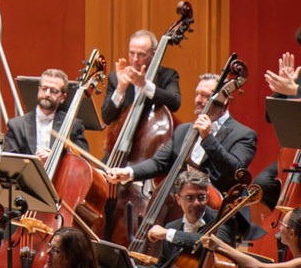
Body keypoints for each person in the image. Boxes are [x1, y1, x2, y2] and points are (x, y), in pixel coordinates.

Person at [108, 70, 256, 194]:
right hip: (181, 209)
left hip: (220, 212)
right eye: (197, 94)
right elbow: (159, 163)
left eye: (205, 96)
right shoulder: (183, 131)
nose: (198, 100)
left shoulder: (243, 135)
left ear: (224, 100)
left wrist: (208, 138)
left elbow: (235, 172)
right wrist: (129, 172)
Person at [100, 28, 182, 130]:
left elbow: (175, 103)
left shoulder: (168, 76)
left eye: (141, 55)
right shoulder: (115, 78)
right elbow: (107, 118)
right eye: (131, 53)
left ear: (153, 54)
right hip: (122, 141)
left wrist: (144, 85)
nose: (135, 59)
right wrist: (120, 89)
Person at [2, 67, 80, 156]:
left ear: (63, 97)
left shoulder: (73, 126)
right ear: (39, 89)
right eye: (44, 88)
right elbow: (9, 163)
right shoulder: (16, 126)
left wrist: (55, 159)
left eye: (53, 91)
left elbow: (83, 162)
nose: (47, 94)